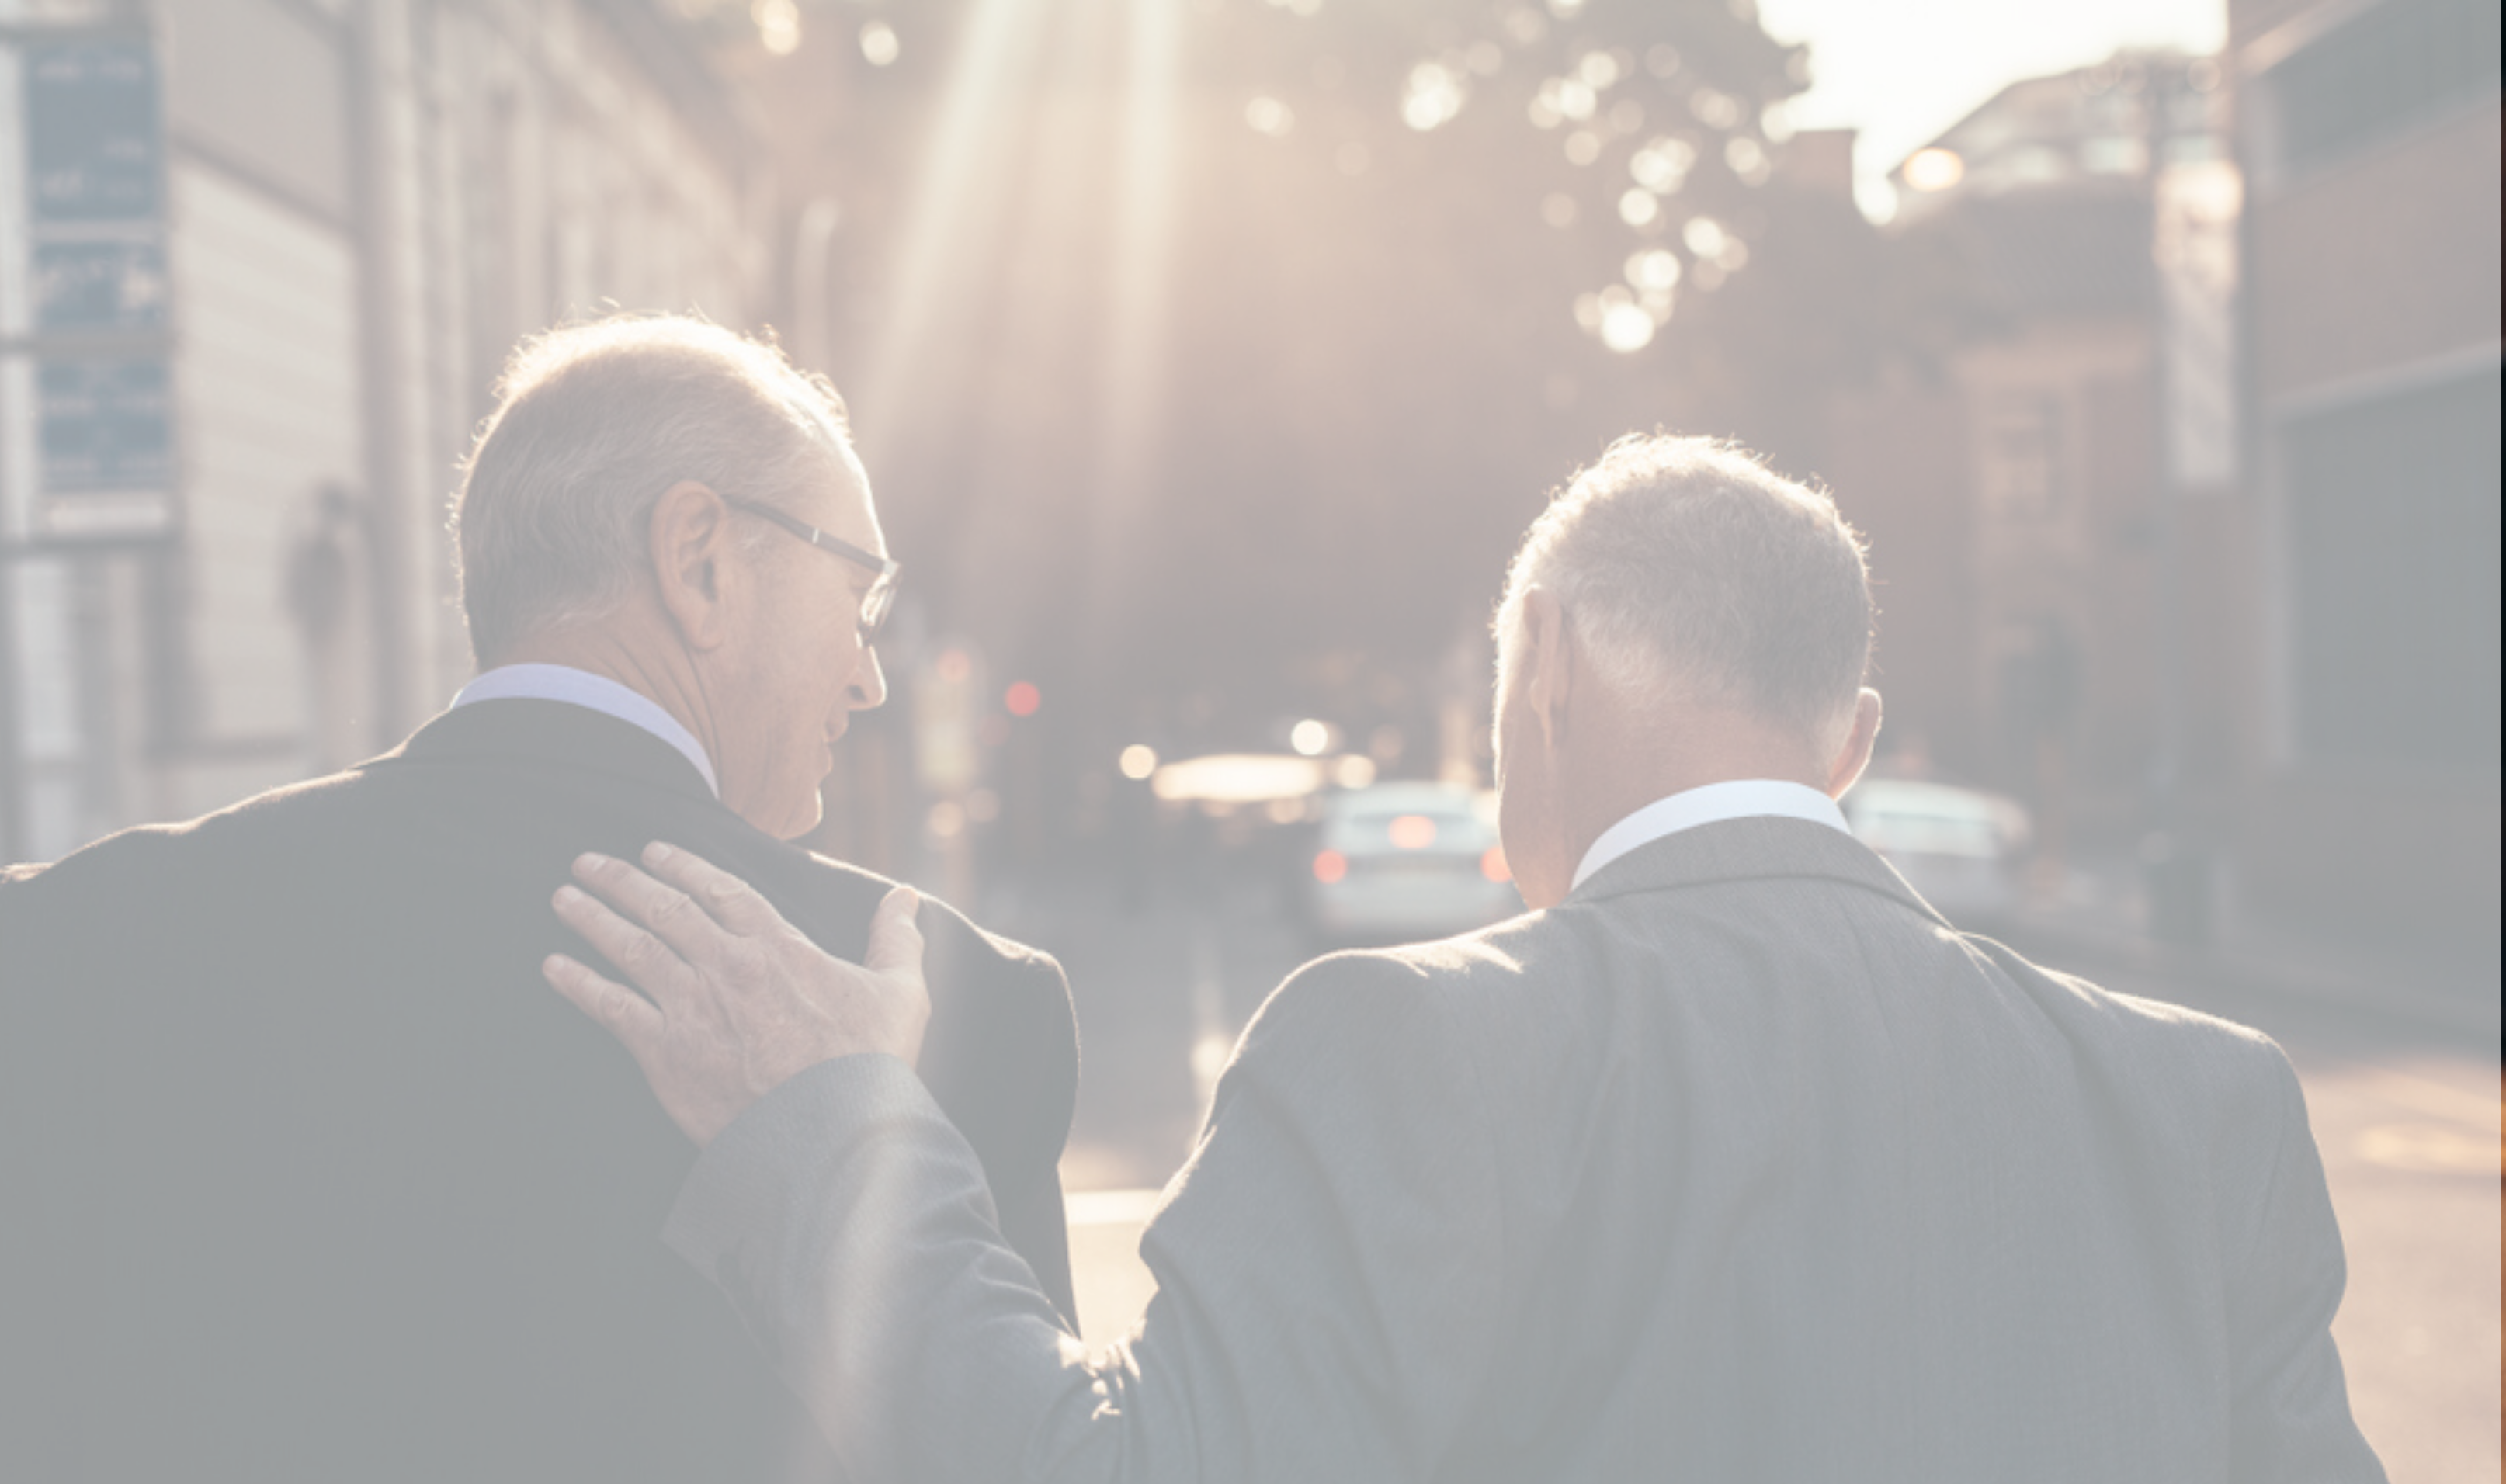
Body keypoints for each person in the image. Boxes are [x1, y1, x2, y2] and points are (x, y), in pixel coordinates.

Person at [547, 433, 2386, 1482]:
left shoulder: (1407, 1042)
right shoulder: (2200, 1097)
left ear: (1548, 675)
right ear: (1854, 740)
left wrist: (834, 1130)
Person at [0, 317, 1078, 1482]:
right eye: (858, 602)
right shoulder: (940, 998)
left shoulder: (73, 938)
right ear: (700, 560)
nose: (869, 677)